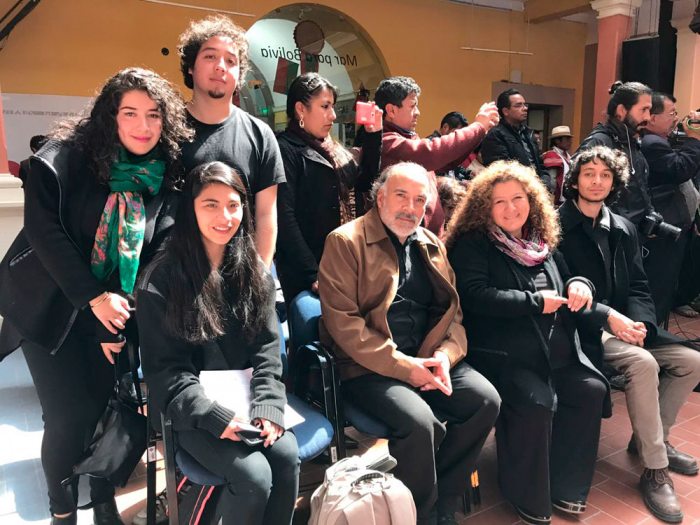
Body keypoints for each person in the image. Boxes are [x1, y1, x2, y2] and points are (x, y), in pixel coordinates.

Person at [0, 68, 193, 525]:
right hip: (51, 307)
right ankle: (62, 509)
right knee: (68, 418)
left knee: (107, 410)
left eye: (154, 115)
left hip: (114, 314)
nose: (143, 126)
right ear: (110, 116)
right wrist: (95, 300)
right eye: (130, 113)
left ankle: (104, 501)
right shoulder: (63, 159)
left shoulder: (163, 176)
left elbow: (156, 254)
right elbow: (46, 235)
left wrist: (119, 319)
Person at [318, 162, 501, 525]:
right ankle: (421, 514)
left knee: (485, 401)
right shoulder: (346, 241)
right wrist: (406, 368)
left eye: (420, 200)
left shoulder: (430, 244)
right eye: (401, 196)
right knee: (421, 424)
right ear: (380, 198)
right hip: (369, 367)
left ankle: (441, 499)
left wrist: (445, 357)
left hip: (427, 357)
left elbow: (453, 315)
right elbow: (345, 325)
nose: (411, 208)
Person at [446, 160, 609, 525]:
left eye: (517, 198)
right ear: (484, 207)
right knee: (537, 403)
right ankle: (526, 494)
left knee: (590, 389)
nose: (510, 208)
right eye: (499, 201)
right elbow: (474, 295)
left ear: (531, 200)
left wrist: (580, 285)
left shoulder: (539, 241)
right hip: (505, 356)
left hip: (553, 351)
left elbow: (571, 276)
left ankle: (566, 486)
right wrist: (534, 303)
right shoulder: (475, 244)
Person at [137, 161, 300, 525]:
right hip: (190, 410)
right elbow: (165, 372)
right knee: (253, 475)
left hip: (247, 400)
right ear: (190, 209)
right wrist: (214, 416)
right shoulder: (162, 279)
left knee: (287, 455)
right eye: (210, 204)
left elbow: (267, 350)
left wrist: (269, 405)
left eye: (233, 205)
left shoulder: (254, 271)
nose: (224, 217)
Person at [558, 145, 700, 524]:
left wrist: (642, 325)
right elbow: (560, 292)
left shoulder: (623, 227)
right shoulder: (556, 225)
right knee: (643, 364)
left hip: (625, 327)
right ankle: (655, 469)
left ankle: (651, 441)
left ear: (614, 182)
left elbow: (638, 286)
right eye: (589, 174)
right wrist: (612, 321)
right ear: (575, 180)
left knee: (691, 361)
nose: (597, 181)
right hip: (582, 331)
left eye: (605, 175)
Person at [178, 15, 285, 267]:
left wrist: (260, 275)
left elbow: (266, 214)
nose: (221, 67)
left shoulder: (261, 135)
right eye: (210, 56)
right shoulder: (169, 128)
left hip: (240, 275)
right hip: (175, 274)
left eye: (231, 60)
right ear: (191, 66)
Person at [275, 72, 381, 303]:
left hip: (345, 260)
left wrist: (373, 136)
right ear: (300, 109)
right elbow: (284, 217)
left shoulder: (333, 149)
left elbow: (364, 184)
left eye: (332, 106)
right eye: (325, 106)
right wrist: (312, 273)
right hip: (308, 272)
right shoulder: (285, 149)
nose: (332, 115)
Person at [374, 76, 499, 235]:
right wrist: (478, 127)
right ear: (391, 110)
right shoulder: (386, 142)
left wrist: (480, 132)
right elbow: (432, 153)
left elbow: (446, 161)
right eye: (412, 106)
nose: (417, 113)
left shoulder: (408, 138)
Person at [641, 93, 700, 322]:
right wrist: (694, 139)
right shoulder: (651, 143)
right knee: (659, 287)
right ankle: (651, 331)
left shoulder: (661, 141)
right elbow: (681, 169)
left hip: (675, 225)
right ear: (652, 118)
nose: (676, 119)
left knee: (667, 285)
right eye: (672, 113)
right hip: (662, 229)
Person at [577, 81, 655, 228]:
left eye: (649, 110)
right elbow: (577, 190)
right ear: (621, 110)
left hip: (631, 233)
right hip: (609, 232)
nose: (648, 117)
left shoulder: (631, 143)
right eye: (643, 110)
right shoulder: (599, 142)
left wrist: (649, 213)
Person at [480, 88, 552, 190]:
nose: (525, 108)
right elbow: (501, 171)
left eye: (524, 105)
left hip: (536, 190)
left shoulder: (528, 133)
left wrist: (545, 184)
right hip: (513, 190)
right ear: (505, 111)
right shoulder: (495, 135)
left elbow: (540, 165)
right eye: (518, 105)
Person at [541, 125, 574, 204]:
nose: (570, 141)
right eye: (567, 139)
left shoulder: (568, 156)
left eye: (570, 139)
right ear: (557, 141)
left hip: (566, 198)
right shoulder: (551, 155)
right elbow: (552, 180)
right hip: (556, 200)